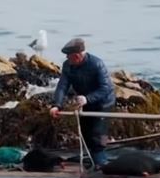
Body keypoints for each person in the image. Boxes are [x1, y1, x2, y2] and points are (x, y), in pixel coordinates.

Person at [49, 38, 115, 167]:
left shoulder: (97, 64)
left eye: (69, 56)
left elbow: (106, 88)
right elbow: (62, 86)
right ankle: (93, 160)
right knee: (86, 134)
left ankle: (100, 164)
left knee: (97, 134)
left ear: (77, 56)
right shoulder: (67, 66)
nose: (67, 58)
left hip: (103, 103)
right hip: (85, 103)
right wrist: (57, 105)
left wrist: (88, 98)